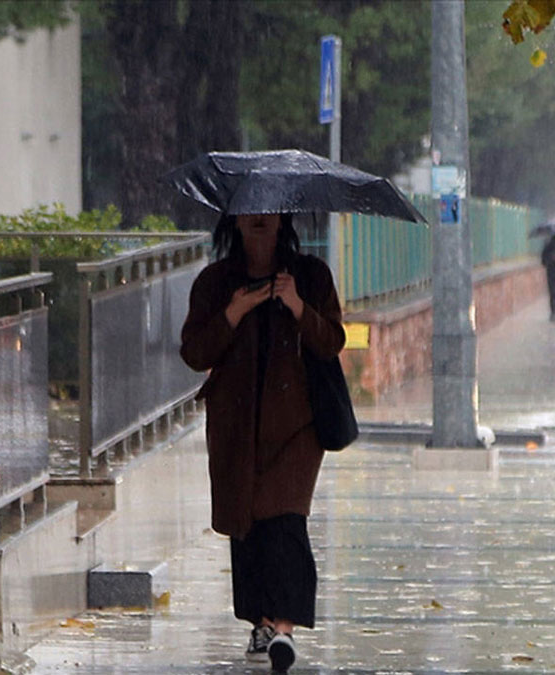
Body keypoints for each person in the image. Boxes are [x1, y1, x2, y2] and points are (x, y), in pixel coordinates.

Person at [180, 212, 344, 671]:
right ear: (235, 219)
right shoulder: (216, 282)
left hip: (297, 427)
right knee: (247, 521)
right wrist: (234, 311)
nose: (259, 219)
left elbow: (332, 340)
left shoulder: (310, 276)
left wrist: (296, 305)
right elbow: (194, 352)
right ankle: (263, 621)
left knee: (286, 519)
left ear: (282, 220)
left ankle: (285, 628)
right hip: (236, 426)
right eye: (250, 211)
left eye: (268, 213)